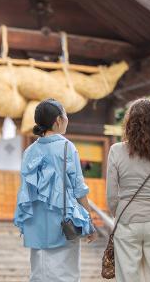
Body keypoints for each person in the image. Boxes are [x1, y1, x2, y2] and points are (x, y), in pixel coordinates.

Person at [14, 98, 97, 282]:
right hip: (62, 223)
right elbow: (79, 190)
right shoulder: (67, 147)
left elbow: (25, 190)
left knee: (39, 273)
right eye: (66, 115)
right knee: (65, 274)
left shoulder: (29, 151)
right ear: (58, 120)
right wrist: (89, 222)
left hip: (36, 222)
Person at [106, 98, 150, 282]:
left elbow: (112, 196)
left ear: (130, 123)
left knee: (129, 277)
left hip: (128, 220)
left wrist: (120, 212)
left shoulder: (116, 151)